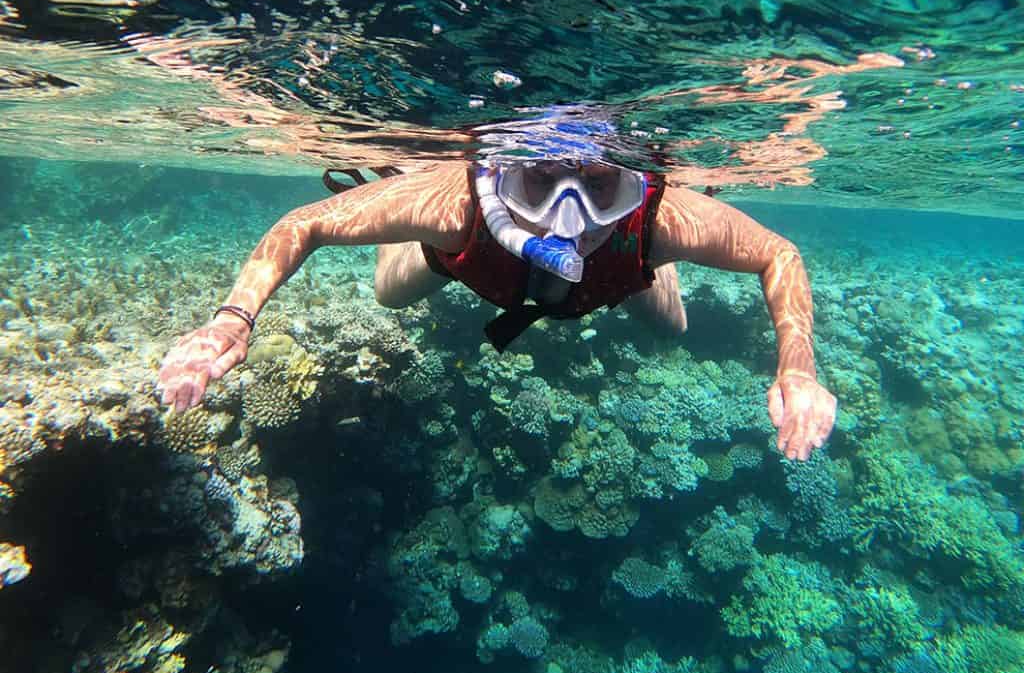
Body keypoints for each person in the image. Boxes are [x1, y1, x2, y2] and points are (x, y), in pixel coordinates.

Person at [157, 155, 836, 461]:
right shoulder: (456, 206)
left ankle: (643, 270)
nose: (567, 218)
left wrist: (797, 367)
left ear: (636, 184)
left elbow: (779, 254)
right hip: (474, 263)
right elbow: (305, 223)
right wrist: (232, 318)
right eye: (538, 184)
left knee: (672, 328)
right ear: (497, 176)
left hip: (623, 270)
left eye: (601, 188)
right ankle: (416, 233)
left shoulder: (662, 217)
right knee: (389, 292)